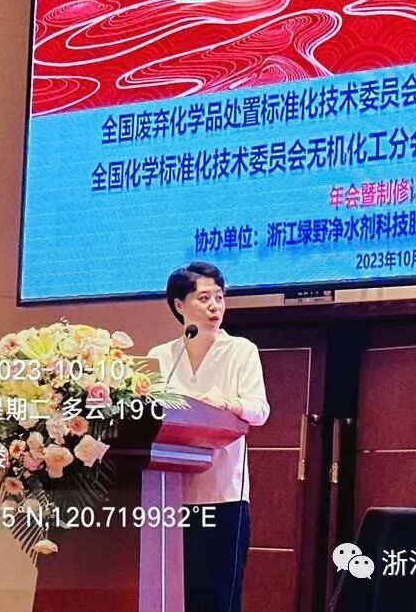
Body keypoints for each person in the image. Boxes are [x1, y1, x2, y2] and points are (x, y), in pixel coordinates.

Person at [147, 262, 270, 612]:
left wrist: (226, 404)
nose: (215, 306)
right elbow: (149, 417)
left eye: (219, 297)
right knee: (173, 597)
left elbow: (260, 410)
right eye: (204, 298)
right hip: (169, 498)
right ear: (179, 305)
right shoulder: (160, 357)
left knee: (218, 599)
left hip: (223, 496)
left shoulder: (241, 350)